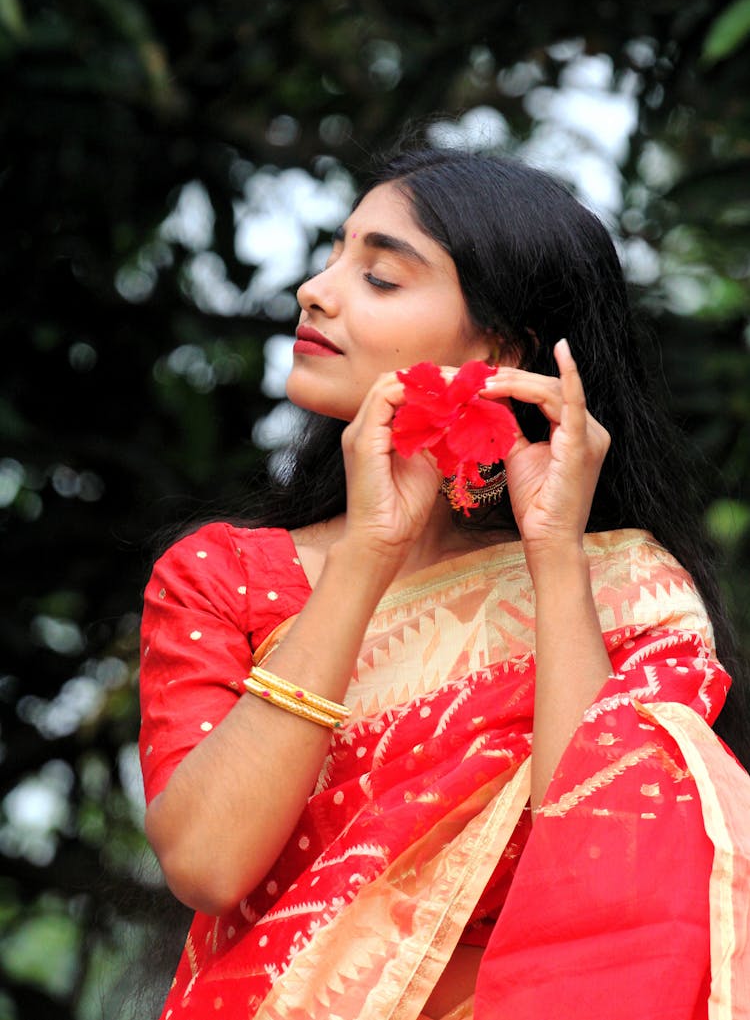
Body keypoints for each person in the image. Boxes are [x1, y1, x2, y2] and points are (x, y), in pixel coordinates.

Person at [139, 147, 750, 1020]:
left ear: (500, 350)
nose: (317, 288)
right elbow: (207, 858)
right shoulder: (223, 577)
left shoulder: (624, 594)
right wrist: (367, 555)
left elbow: (598, 876)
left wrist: (553, 554)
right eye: (335, 254)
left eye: (381, 276)